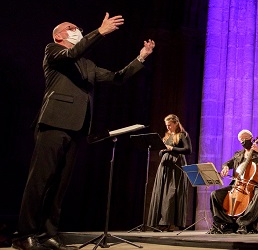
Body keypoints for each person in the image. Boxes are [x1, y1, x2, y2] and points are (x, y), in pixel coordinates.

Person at [13, 14, 155, 250]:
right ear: (59, 36)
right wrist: (99, 32)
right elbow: (71, 53)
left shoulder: (87, 65)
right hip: (53, 123)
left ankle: (49, 233)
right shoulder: (53, 51)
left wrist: (141, 57)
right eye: (71, 28)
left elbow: (116, 78)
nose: (76, 29)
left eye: (77, 27)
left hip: (76, 127)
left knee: (60, 185)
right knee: (39, 181)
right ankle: (24, 235)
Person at [209, 130, 258, 234]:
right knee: (215, 194)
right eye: (240, 140)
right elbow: (227, 163)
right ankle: (225, 222)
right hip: (238, 185)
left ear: (251, 138)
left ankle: (243, 223)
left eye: (245, 139)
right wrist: (225, 167)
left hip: (256, 185)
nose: (242, 142)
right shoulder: (238, 154)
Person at [147, 114, 191, 231]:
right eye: (166, 125)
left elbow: (188, 150)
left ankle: (170, 222)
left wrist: (172, 148)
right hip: (165, 166)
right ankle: (161, 222)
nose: (168, 128)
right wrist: (162, 150)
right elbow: (161, 153)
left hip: (176, 166)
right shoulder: (166, 136)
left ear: (176, 123)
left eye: (170, 125)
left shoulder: (182, 135)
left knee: (171, 193)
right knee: (162, 193)